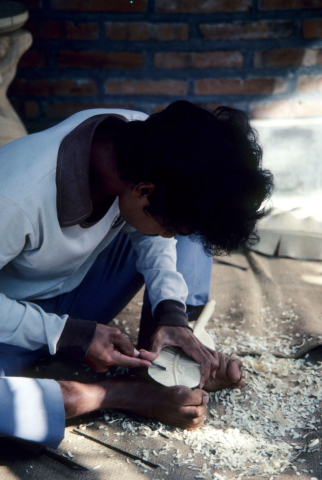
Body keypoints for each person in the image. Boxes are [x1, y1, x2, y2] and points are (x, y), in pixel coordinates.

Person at [0, 100, 273, 448]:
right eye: (169, 226)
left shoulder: (143, 139)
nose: (168, 236)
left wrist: (171, 314)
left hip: (73, 288)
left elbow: (154, 238)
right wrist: (68, 333)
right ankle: (124, 394)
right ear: (144, 191)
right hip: (9, 323)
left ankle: (159, 360)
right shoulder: (13, 196)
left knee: (189, 241)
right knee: (12, 412)